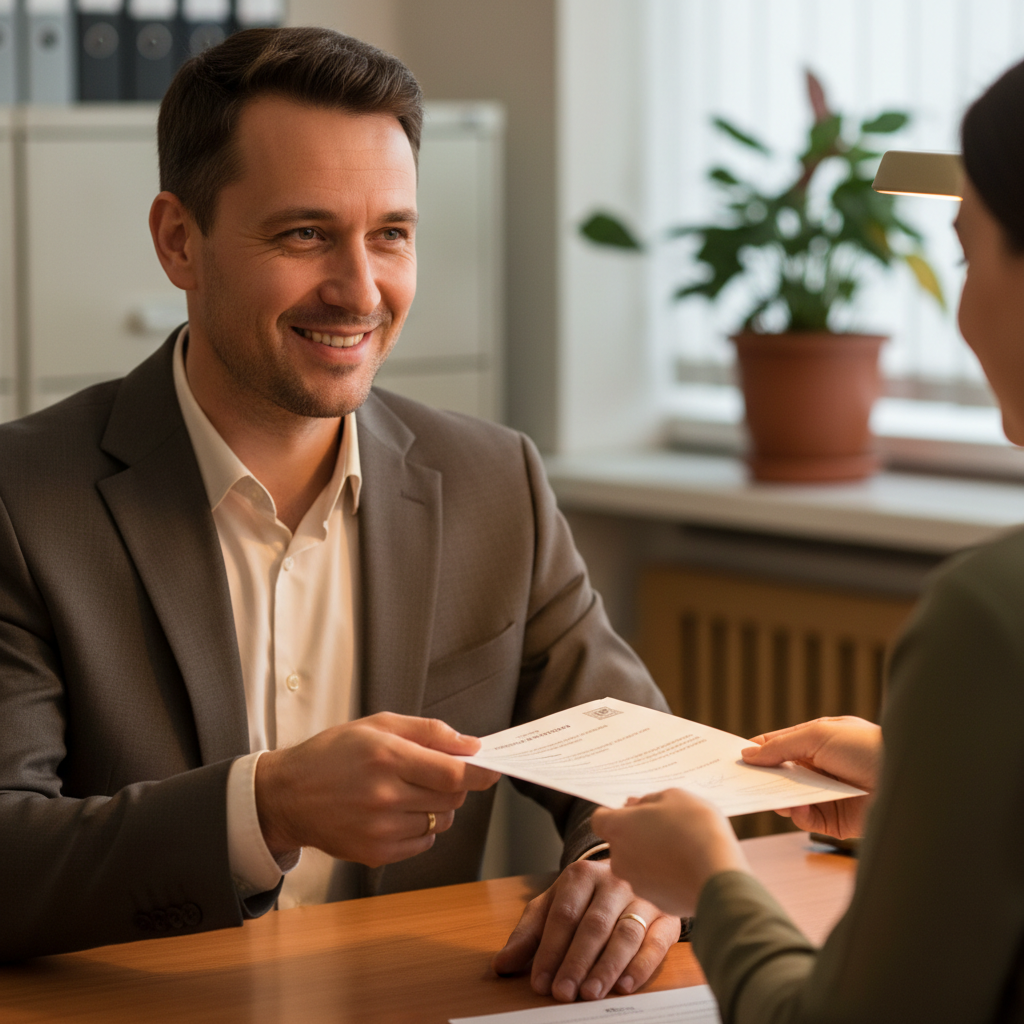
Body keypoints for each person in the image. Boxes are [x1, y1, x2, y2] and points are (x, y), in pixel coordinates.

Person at [0, 26, 682, 998]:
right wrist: (264, 807)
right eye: (304, 234)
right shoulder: (22, 500)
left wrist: (625, 868)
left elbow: (644, 768)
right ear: (179, 241)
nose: (360, 291)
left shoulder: (495, 483)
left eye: (390, 234)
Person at [593, 56, 1024, 1023]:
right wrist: (924, 785)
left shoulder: (992, 616)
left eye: (967, 256)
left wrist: (711, 882)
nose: (961, 311)